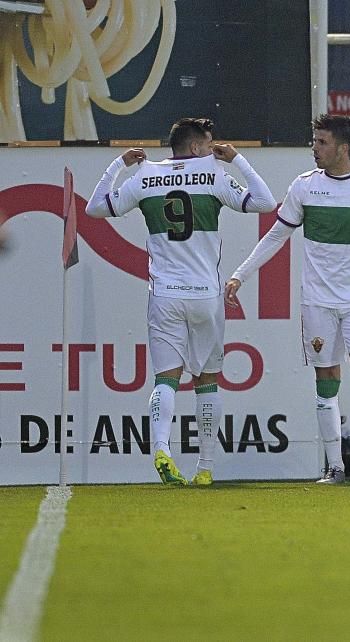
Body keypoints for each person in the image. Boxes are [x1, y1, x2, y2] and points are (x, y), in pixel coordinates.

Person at [225, 114, 350, 485]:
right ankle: (334, 465)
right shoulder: (304, 187)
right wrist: (240, 274)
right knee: (326, 380)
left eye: (322, 142)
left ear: (343, 148)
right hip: (318, 300)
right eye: (314, 141)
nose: (315, 148)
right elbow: (276, 237)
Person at [85, 117, 277, 486]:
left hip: (165, 295)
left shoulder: (144, 175)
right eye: (208, 143)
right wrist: (236, 159)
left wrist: (117, 165)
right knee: (207, 381)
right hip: (205, 295)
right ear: (195, 148)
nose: (213, 148)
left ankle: (161, 449)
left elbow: (95, 208)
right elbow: (265, 202)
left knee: (165, 380)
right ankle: (205, 468)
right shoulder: (214, 174)